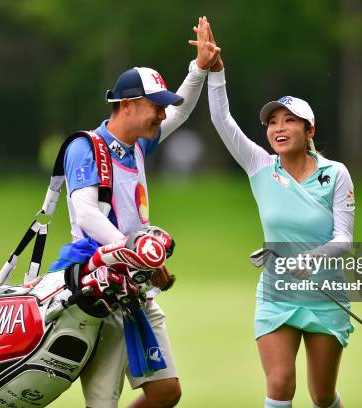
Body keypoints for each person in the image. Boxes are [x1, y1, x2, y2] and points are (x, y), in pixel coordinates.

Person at [62, 17, 220, 408]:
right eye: (155, 106)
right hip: (99, 289)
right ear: (127, 105)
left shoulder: (136, 145)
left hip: (136, 288)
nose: (163, 115)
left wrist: (198, 68)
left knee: (166, 392)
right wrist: (138, 253)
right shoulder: (87, 147)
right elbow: (86, 216)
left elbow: (180, 113)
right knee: (103, 403)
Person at [203, 27, 355, 408]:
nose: (279, 128)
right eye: (273, 122)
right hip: (277, 294)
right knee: (280, 383)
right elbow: (222, 120)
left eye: (289, 121)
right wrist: (216, 71)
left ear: (310, 131)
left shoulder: (335, 174)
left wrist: (305, 260)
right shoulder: (259, 165)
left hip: (326, 296)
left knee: (321, 395)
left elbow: (344, 239)